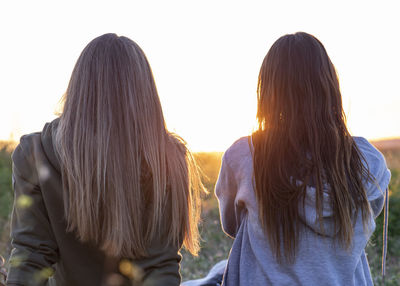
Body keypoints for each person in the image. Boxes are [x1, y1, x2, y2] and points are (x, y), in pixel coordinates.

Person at [7, 33, 204, 286]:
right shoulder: (166, 158)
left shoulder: (35, 153)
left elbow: (31, 258)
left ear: (79, 89)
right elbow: (159, 267)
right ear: (145, 95)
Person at [215, 32, 391, 286]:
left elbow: (231, 224)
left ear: (267, 90)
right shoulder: (367, 160)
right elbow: (369, 212)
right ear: (329, 87)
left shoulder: (243, 156)